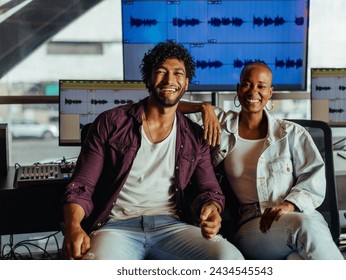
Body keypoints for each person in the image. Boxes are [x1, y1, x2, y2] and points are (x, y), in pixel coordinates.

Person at [61, 41, 244, 260]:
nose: (169, 80)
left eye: (178, 73)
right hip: (117, 228)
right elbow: (82, 185)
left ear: (186, 83)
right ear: (148, 80)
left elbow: (208, 188)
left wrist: (212, 209)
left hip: (172, 227)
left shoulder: (194, 135)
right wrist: (73, 226)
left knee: (229, 260)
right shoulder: (111, 123)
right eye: (161, 72)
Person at [180, 62, 344, 260]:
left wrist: (288, 205)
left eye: (261, 86)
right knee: (303, 228)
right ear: (238, 89)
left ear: (270, 92)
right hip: (255, 225)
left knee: (297, 260)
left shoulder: (292, 134)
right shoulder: (219, 124)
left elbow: (313, 183)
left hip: (298, 217)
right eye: (247, 84)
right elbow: (165, 105)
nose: (253, 91)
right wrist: (203, 107)